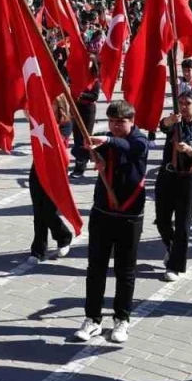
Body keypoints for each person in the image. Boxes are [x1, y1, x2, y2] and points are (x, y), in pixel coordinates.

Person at [73, 99, 149, 344]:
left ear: (132, 121)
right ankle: (93, 319)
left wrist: (105, 141)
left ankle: (122, 319)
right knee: (95, 268)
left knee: (125, 270)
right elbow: (78, 150)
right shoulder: (105, 140)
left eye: (121, 122)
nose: (115, 127)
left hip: (129, 215)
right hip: (102, 212)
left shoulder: (139, 140)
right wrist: (88, 149)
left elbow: (131, 148)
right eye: (112, 122)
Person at [155, 91, 192, 281]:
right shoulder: (175, 124)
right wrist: (168, 121)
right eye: (180, 102)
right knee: (162, 220)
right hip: (167, 176)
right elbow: (162, 126)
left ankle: (175, 266)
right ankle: (172, 247)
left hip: (187, 179)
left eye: (188, 103)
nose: (183, 106)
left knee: (183, 225)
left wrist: (190, 150)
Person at [30, 95, 74, 261]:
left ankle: (63, 236)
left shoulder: (66, 123)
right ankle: (38, 249)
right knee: (37, 210)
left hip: (56, 171)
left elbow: (57, 141)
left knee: (48, 211)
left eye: (53, 103)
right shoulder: (39, 119)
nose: (49, 105)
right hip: (38, 167)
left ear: (60, 105)